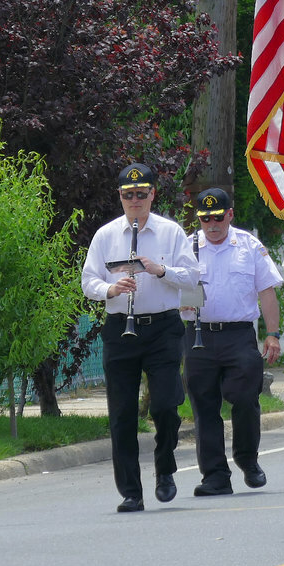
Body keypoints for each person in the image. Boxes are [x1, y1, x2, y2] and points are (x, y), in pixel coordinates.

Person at [81, 163, 198, 513]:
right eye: (128, 195)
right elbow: (88, 281)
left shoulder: (171, 232)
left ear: (152, 195)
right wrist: (111, 288)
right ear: (120, 197)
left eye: (141, 194)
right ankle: (131, 492)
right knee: (122, 413)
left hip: (162, 327)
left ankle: (165, 468)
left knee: (164, 405)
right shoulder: (105, 236)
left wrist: (160, 270)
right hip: (120, 328)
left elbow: (192, 278)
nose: (135, 200)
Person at [182, 187, 283, 496]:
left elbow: (267, 291)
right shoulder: (188, 247)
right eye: (205, 219)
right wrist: (183, 303)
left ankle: (247, 459)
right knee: (204, 405)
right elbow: (178, 287)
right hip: (198, 334)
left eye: (217, 218)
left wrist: (273, 334)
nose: (212, 225)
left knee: (244, 396)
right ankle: (215, 475)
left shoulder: (249, 246)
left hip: (238, 334)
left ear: (229, 215)